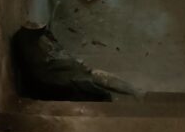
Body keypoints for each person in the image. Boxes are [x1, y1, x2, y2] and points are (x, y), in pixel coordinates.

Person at [11, 24, 143, 102]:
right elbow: (97, 82)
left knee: (95, 78)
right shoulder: (63, 74)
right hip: (67, 81)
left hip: (57, 78)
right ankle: (133, 92)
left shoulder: (28, 43)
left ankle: (133, 91)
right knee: (95, 79)